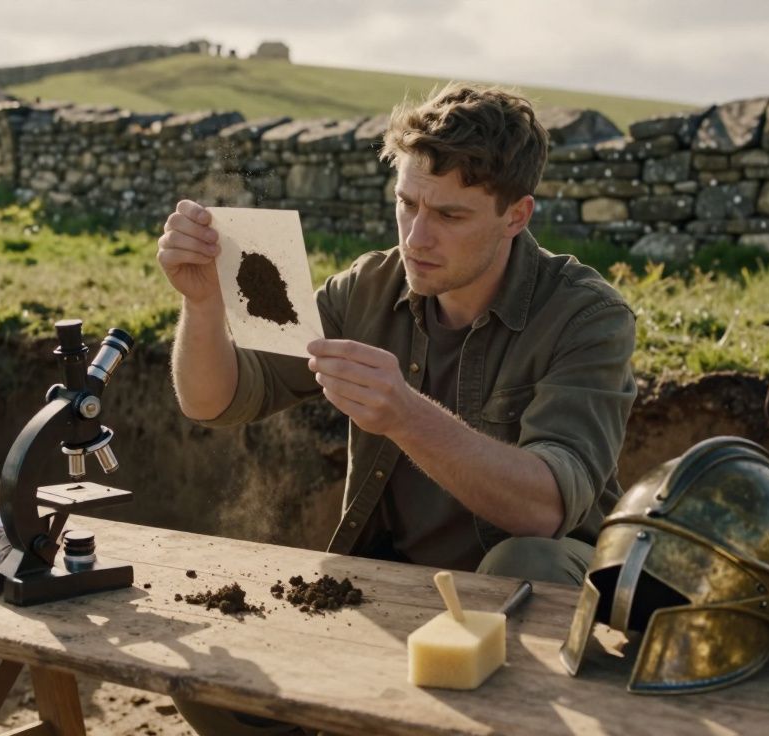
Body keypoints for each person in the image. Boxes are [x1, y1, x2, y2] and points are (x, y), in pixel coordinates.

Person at [156, 83, 636, 735]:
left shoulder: (587, 316)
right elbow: (214, 399)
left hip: (536, 614)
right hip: (393, 591)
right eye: (406, 205)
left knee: (528, 562)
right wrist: (203, 303)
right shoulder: (368, 287)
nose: (417, 236)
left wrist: (406, 414)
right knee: (205, 678)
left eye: (450, 216)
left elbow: (546, 508)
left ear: (517, 215)